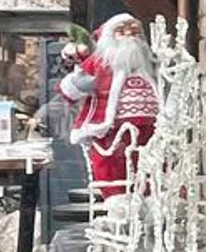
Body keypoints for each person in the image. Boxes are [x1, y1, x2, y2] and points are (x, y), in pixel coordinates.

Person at [59, 14, 160, 197]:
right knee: (112, 168)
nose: (129, 36)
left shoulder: (150, 65)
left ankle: (149, 198)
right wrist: (84, 81)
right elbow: (70, 90)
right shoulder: (100, 64)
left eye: (134, 31)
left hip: (150, 130)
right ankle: (116, 200)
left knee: (150, 168)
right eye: (121, 31)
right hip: (111, 132)